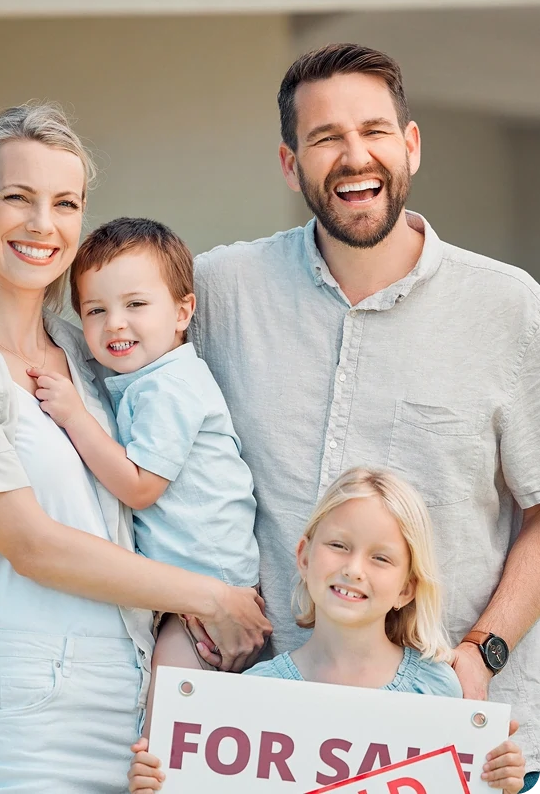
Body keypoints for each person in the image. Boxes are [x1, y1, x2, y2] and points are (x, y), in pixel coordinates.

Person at [0, 103, 270, 792]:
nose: (42, 223)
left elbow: (131, 514)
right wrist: (215, 598)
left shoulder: (88, 351)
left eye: (64, 203)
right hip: (39, 702)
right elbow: (32, 546)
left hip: (141, 680)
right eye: (17, 198)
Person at [189, 44, 540, 794]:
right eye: (325, 138)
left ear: (410, 144)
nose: (355, 157)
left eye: (374, 130)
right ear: (290, 165)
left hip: (464, 741)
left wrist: (485, 651)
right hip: (268, 742)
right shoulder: (220, 292)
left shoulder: (507, 306)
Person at [127, 467, 526, 794]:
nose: (354, 569)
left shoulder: (437, 689)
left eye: (381, 558)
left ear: (407, 588)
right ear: (304, 557)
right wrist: (160, 785)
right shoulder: (255, 695)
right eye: (339, 545)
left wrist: (497, 782)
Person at [28, 216, 259, 717]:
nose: (115, 323)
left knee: (168, 712)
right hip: (188, 584)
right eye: (96, 310)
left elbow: (139, 487)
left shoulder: (169, 387)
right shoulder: (143, 379)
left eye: (135, 304)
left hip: (208, 584)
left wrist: (74, 416)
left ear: (182, 312)